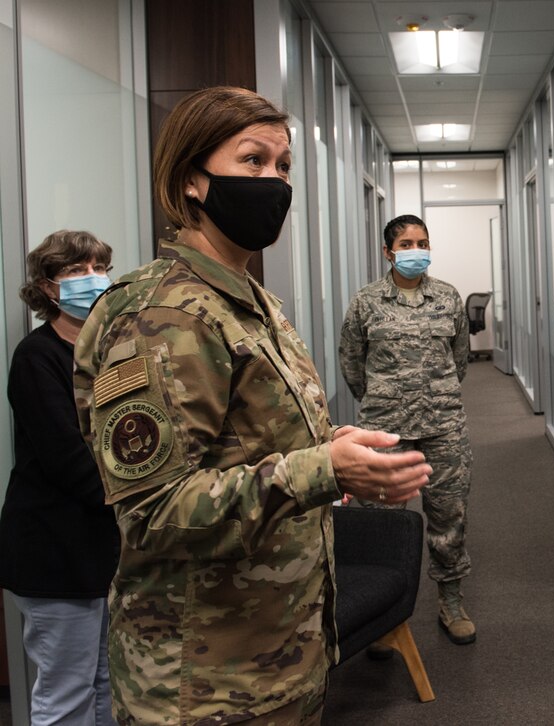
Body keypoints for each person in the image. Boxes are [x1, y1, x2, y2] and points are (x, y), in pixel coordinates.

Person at [72, 86, 432, 725]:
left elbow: (248, 444)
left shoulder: (251, 301)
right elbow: (152, 511)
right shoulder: (163, 316)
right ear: (191, 180)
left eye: (284, 165)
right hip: (202, 685)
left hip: (277, 658)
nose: (274, 181)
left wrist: (330, 447)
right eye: (252, 161)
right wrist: (324, 469)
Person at [0, 230, 120, 726]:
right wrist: (145, 498)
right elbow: (67, 459)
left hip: (103, 545)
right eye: (75, 272)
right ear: (49, 289)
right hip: (53, 550)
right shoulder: (36, 357)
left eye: (97, 268)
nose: (92, 280)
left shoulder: (110, 348)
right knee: (66, 690)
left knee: (108, 683)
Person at [338, 214, 476, 645]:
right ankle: (383, 618)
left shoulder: (448, 297)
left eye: (422, 242)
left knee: (448, 515)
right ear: (388, 252)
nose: (415, 250)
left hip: (443, 425)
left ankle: (450, 601)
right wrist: (383, 399)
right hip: (385, 429)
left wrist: (433, 395)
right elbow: (352, 363)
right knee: (381, 520)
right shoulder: (366, 302)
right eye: (406, 243)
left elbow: (460, 360)